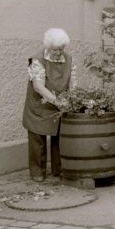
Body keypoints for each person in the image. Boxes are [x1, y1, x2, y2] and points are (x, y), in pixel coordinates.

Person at [22, 28, 76, 182]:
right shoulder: (37, 59)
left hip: (60, 101)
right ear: (48, 47)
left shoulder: (69, 59)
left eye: (61, 49)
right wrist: (57, 101)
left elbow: (73, 82)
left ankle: (59, 169)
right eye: (55, 49)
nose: (58, 53)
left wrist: (71, 98)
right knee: (37, 137)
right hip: (40, 103)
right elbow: (39, 86)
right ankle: (37, 171)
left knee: (59, 135)